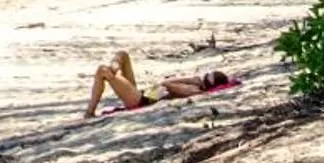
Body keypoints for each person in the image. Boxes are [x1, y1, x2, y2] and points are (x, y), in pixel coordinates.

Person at [83, 51, 233, 117]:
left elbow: (166, 85)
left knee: (102, 71)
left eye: (207, 78)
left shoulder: (195, 91)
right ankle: (114, 67)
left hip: (141, 100)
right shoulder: (196, 86)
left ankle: (89, 113)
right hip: (143, 94)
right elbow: (164, 86)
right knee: (123, 55)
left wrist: (191, 81)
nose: (203, 78)